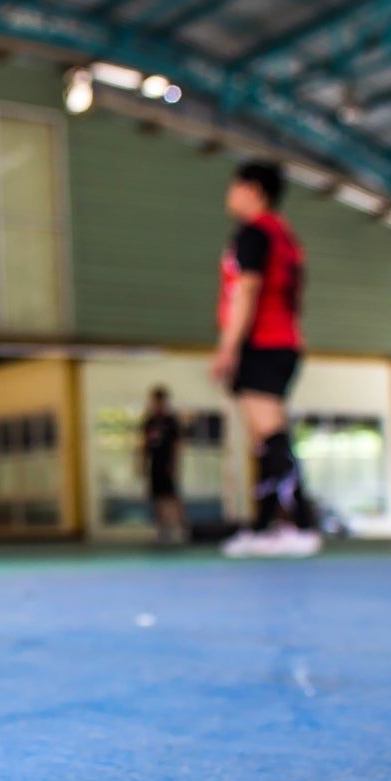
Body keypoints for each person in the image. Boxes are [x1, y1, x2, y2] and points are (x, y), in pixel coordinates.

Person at [210, 160, 321, 558]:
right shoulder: (285, 236)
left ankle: (301, 523)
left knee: (270, 433)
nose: (230, 195)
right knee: (263, 437)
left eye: (234, 187)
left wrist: (228, 348)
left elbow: (247, 291)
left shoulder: (254, 234)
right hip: (284, 342)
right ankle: (267, 526)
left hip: (264, 342)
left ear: (253, 190)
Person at [139, 386, 186, 544]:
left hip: (167, 464)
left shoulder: (170, 421)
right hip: (154, 465)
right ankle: (162, 530)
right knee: (157, 498)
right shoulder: (149, 421)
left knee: (170, 498)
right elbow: (144, 444)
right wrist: (141, 463)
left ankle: (179, 528)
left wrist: (174, 464)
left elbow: (176, 445)